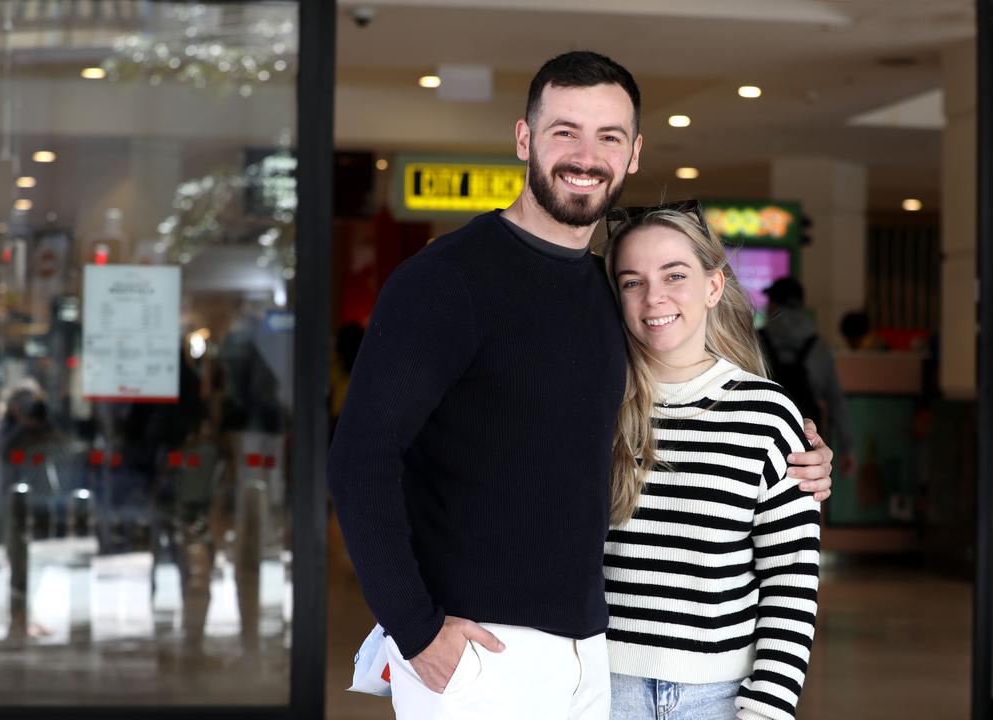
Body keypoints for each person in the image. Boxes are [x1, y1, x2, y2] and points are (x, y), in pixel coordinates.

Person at [327, 51, 834, 720]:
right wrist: (415, 628)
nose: (585, 155)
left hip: (592, 651)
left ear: (632, 155)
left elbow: (676, 402)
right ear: (524, 139)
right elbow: (360, 457)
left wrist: (800, 457)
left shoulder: (604, 294)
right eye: (565, 131)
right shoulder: (446, 279)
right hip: (482, 649)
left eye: (609, 137)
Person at [602, 204, 820, 720]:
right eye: (632, 282)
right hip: (599, 690)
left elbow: (791, 577)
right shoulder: (595, 406)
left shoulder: (767, 414)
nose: (654, 297)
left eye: (675, 275)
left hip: (720, 699)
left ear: (714, 286)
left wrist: (767, 709)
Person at [760, 277, 856, 476]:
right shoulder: (818, 347)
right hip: (807, 440)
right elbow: (836, 402)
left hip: (762, 439)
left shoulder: (756, 342)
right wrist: (848, 448)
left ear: (775, 304)